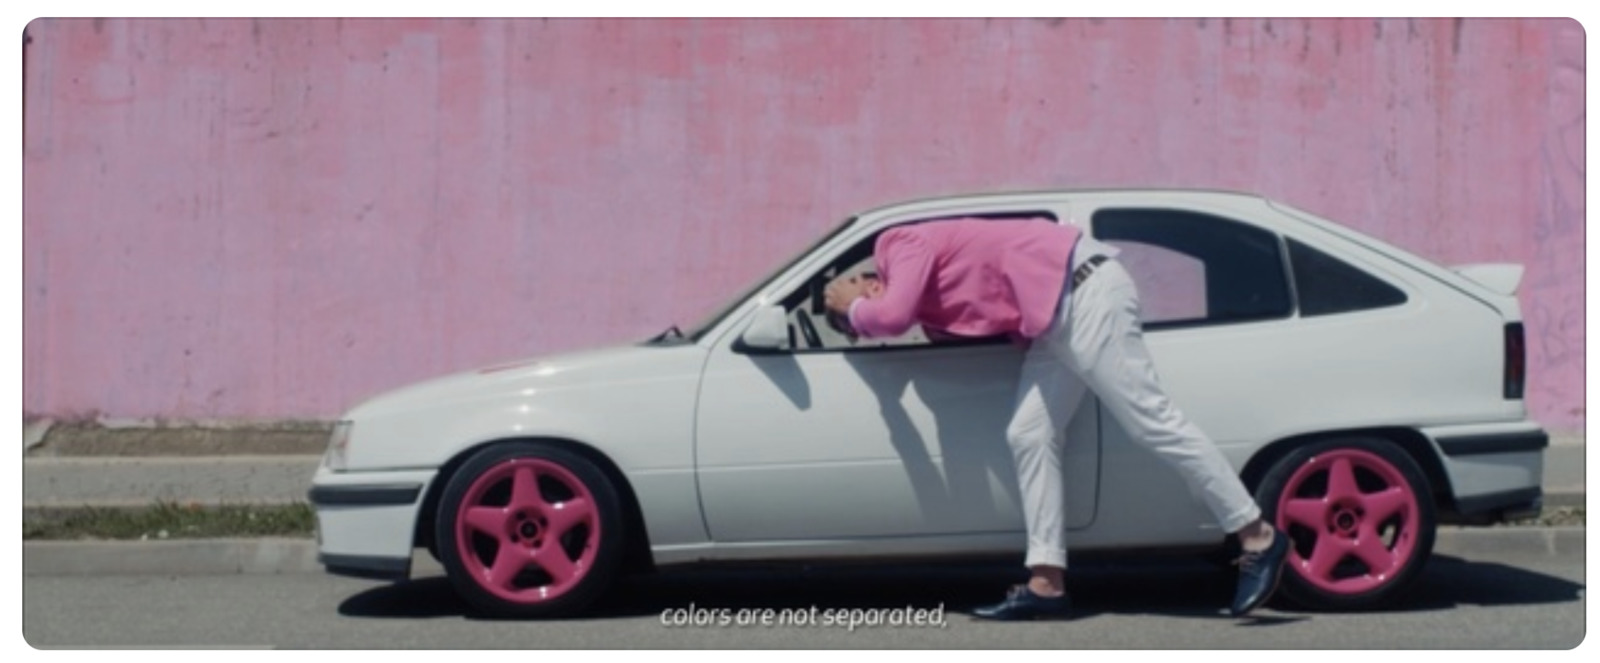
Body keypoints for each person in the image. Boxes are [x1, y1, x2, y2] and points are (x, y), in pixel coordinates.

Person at [822, 216, 1290, 621]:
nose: (857, 318)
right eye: (848, 323)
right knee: (1028, 433)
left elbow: (891, 316)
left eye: (851, 308)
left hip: (1082, 289)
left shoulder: (897, 243)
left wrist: (857, 309)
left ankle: (1257, 535)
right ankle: (1046, 584)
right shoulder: (926, 304)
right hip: (1054, 318)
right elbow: (930, 314)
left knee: (1151, 420)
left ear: (864, 281)